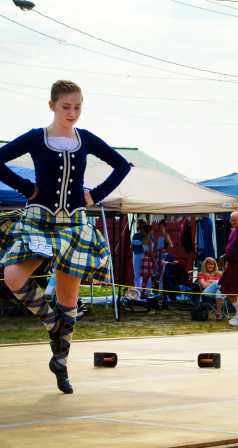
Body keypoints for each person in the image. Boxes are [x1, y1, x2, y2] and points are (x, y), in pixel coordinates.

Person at [0, 80, 130, 393]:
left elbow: (122, 165)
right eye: (66, 106)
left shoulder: (85, 139)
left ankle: (60, 362)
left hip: (74, 223)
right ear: (52, 106)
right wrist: (26, 189)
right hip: (39, 220)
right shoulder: (36, 137)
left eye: (77, 107)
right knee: (13, 276)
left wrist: (93, 195)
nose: (72, 113)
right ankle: (51, 322)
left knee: (69, 298)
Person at [141, 224, 155, 297]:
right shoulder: (149, 240)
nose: (153, 231)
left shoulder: (144, 239)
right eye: (151, 230)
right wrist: (154, 261)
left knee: (145, 277)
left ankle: (144, 291)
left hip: (144, 258)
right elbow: (150, 252)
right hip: (148, 258)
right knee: (147, 276)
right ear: (149, 231)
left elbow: (144, 250)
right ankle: (144, 292)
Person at [131, 220, 146, 288]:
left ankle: (144, 290)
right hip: (136, 255)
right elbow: (132, 247)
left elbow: (145, 248)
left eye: (142, 226)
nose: (140, 227)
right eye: (139, 225)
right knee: (137, 274)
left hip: (143, 255)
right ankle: (137, 290)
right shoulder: (135, 235)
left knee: (144, 273)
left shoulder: (146, 236)